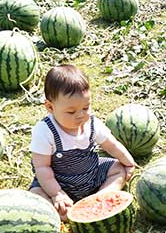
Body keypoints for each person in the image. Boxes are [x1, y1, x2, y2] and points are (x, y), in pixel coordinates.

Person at [29, 65, 137, 221]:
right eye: (71, 112)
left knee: (118, 169)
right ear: (50, 107)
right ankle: (61, 210)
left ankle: (102, 197)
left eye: (86, 108)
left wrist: (128, 162)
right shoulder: (45, 131)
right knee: (36, 193)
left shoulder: (92, 124)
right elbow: (42, 167)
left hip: (91, 176)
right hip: (57, 181)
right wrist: (56, 194)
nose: (80, 115)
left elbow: (111, 145)